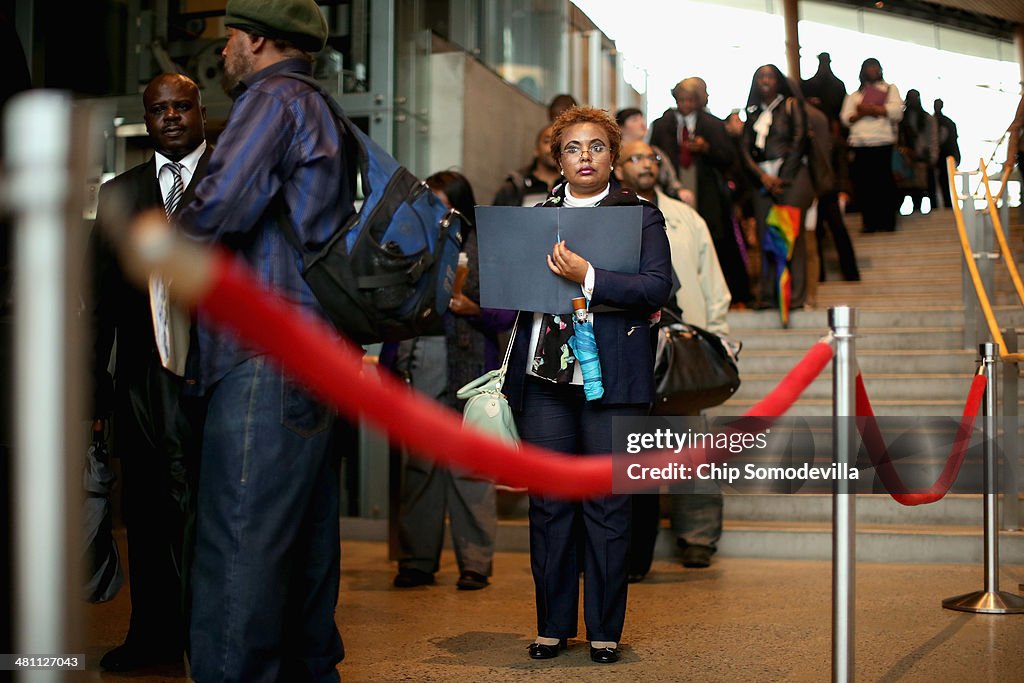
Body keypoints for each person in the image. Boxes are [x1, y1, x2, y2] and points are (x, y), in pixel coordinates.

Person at [175, 1, 352, 680]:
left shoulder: (272, 100)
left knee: (237, 559)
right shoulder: (325, 110)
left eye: (229, 40)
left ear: (258, 40)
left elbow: (218, 205)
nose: (222, 54)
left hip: (263, 359)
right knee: (303, 562)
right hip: (311, 359)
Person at [504, 106, 672, 664]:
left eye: (596, 146)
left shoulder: (639, 215)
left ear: (612, 155)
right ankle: (552, 626)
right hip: (545, 377)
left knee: (607, 505)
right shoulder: (534, 215)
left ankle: (605, 630)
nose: (584, 156)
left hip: (612, 378)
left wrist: (589, 277)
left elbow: (655, 288)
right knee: (549, 505)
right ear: (557, 157)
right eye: (573, 148)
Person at [88, 73, 210, 673]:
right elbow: (99, 302)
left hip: (216, 374)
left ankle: (212, 636)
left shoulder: (230, 181)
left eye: (180, 106)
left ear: (200, 111)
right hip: (141, 380)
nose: (169, 117)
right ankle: (153, 637)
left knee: (213, 512)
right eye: (158, 109)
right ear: (145, 118)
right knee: (146, 511)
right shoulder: (120, 194)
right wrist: (93, 388)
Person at [392, 171, 514, 591]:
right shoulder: (411, 243)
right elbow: (397, 312)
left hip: (475, 361)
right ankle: (416, 560)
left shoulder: (487, 248)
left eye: (442, 203)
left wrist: (473, 309)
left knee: (472, 464)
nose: (435, 211)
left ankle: (475, 562)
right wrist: (391, 367)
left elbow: (510, 313)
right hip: (422, 356)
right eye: (429, 202)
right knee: (420, 464)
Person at [613, 139, 730, 578]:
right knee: (634, 451)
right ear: (619, 167)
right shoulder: (613, 216)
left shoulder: (685, 217)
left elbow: (713, 284)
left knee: (691, 448)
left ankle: (698, 537)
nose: (645, 164)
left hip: (684, 351)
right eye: (635, 158)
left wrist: (716, 338)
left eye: (652, 158)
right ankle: (629, 551)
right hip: (630, 351)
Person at [650, 78, 750, 306]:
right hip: (674, 192)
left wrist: (707, 149)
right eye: (681, 99)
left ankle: (731, 295)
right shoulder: (662, 124)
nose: (685, 104)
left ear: (698, 101)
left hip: (708, 194)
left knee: (717, 242)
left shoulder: (713, 124)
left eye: (690, 99)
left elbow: (731, 161)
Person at [740, 64, 814, 311]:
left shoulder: (792, 105)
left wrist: (781, 176)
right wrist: (762, 177)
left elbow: (799, 140)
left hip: (791, 178)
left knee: (790, 236)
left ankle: (795, 297)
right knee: (765, 237)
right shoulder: (751, 112)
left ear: (778, 81)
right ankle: (769, 295)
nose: (765, 80)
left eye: (770, 76)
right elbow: (744, 150)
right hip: (763, 180)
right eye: (760, 76)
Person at [840, 58, 903, 232]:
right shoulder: (854, 96)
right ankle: (869, 222)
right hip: (860, 143)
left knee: (884, 183)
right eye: (869, 67)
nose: (873, 70)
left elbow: (897, 112)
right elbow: (846, 118)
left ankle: (887, 222)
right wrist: (861, 113)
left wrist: (875, 110)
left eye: (876, 67)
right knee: (864, 185)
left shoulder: (890, 89)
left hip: (883, 141)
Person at [615, 107, 686, 202]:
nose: (642, 124)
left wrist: (679, 190)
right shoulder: (613, 153)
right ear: (620, 127)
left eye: (642, 119)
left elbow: (671, 179)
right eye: (634, 120)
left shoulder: (655, 151)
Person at [492, 125, 560, 206]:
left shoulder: (571, 184)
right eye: (547, 141)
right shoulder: (514, 187)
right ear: (536, 150)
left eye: (558, 142)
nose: (552, 147)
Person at [897, 89, 938, 214]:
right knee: (904, 188)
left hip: (922, 159)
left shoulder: (927, 119)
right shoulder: (900, 119)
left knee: (922, 187)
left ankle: (922, 210)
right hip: (905, 159)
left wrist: (932, 157)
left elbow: (932, 139)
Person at [933, 98, 960, 209]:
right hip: (944, 157)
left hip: (944, 157)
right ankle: (945, 205)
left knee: (942, 182)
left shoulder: (942, 122)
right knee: (942, 182)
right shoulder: (948, 122)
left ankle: (945, 205)